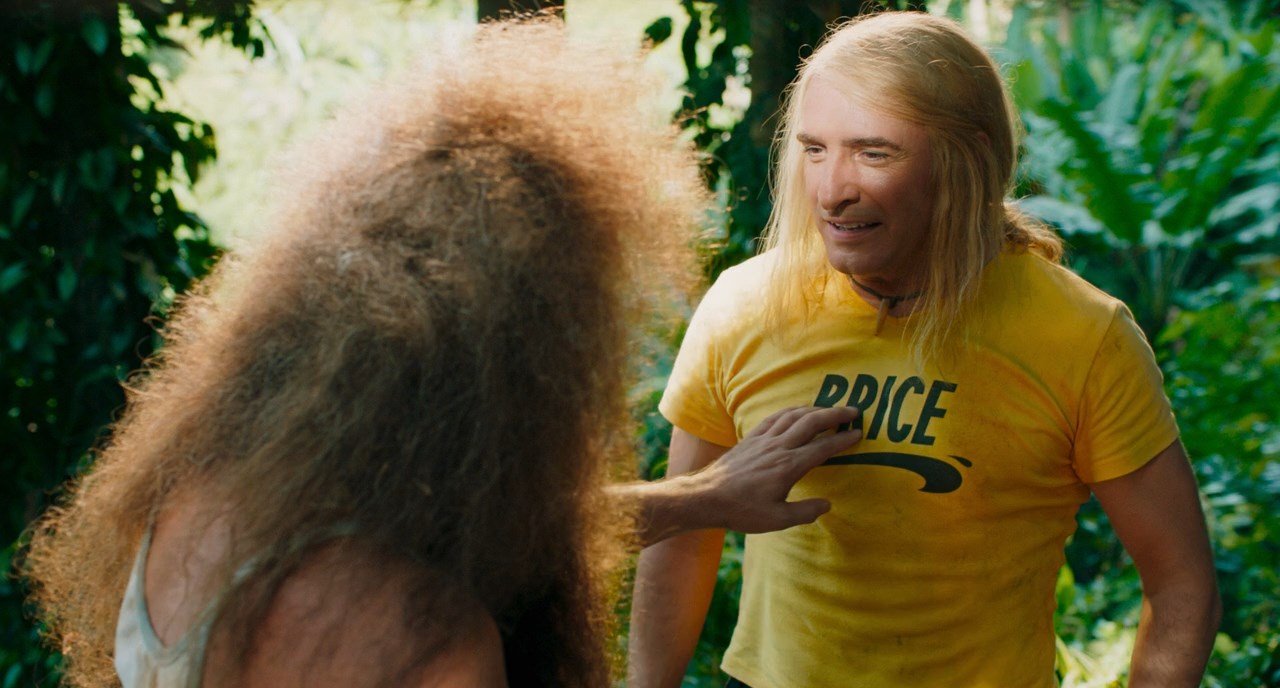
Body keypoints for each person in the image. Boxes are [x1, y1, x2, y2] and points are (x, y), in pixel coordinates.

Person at [22, 20, 864, 688]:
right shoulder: (425, 637)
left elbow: (501, 528)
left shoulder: (193, 503)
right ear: (519, 374)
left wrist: (700, 496)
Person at [628, 11, 1221, 688]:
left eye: (874, 153)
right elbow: (682, 535)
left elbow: (1182, 586)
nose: (832, 191)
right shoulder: (744, 305)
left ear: (969, 158)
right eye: (814, 149)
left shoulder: (1085, 336)